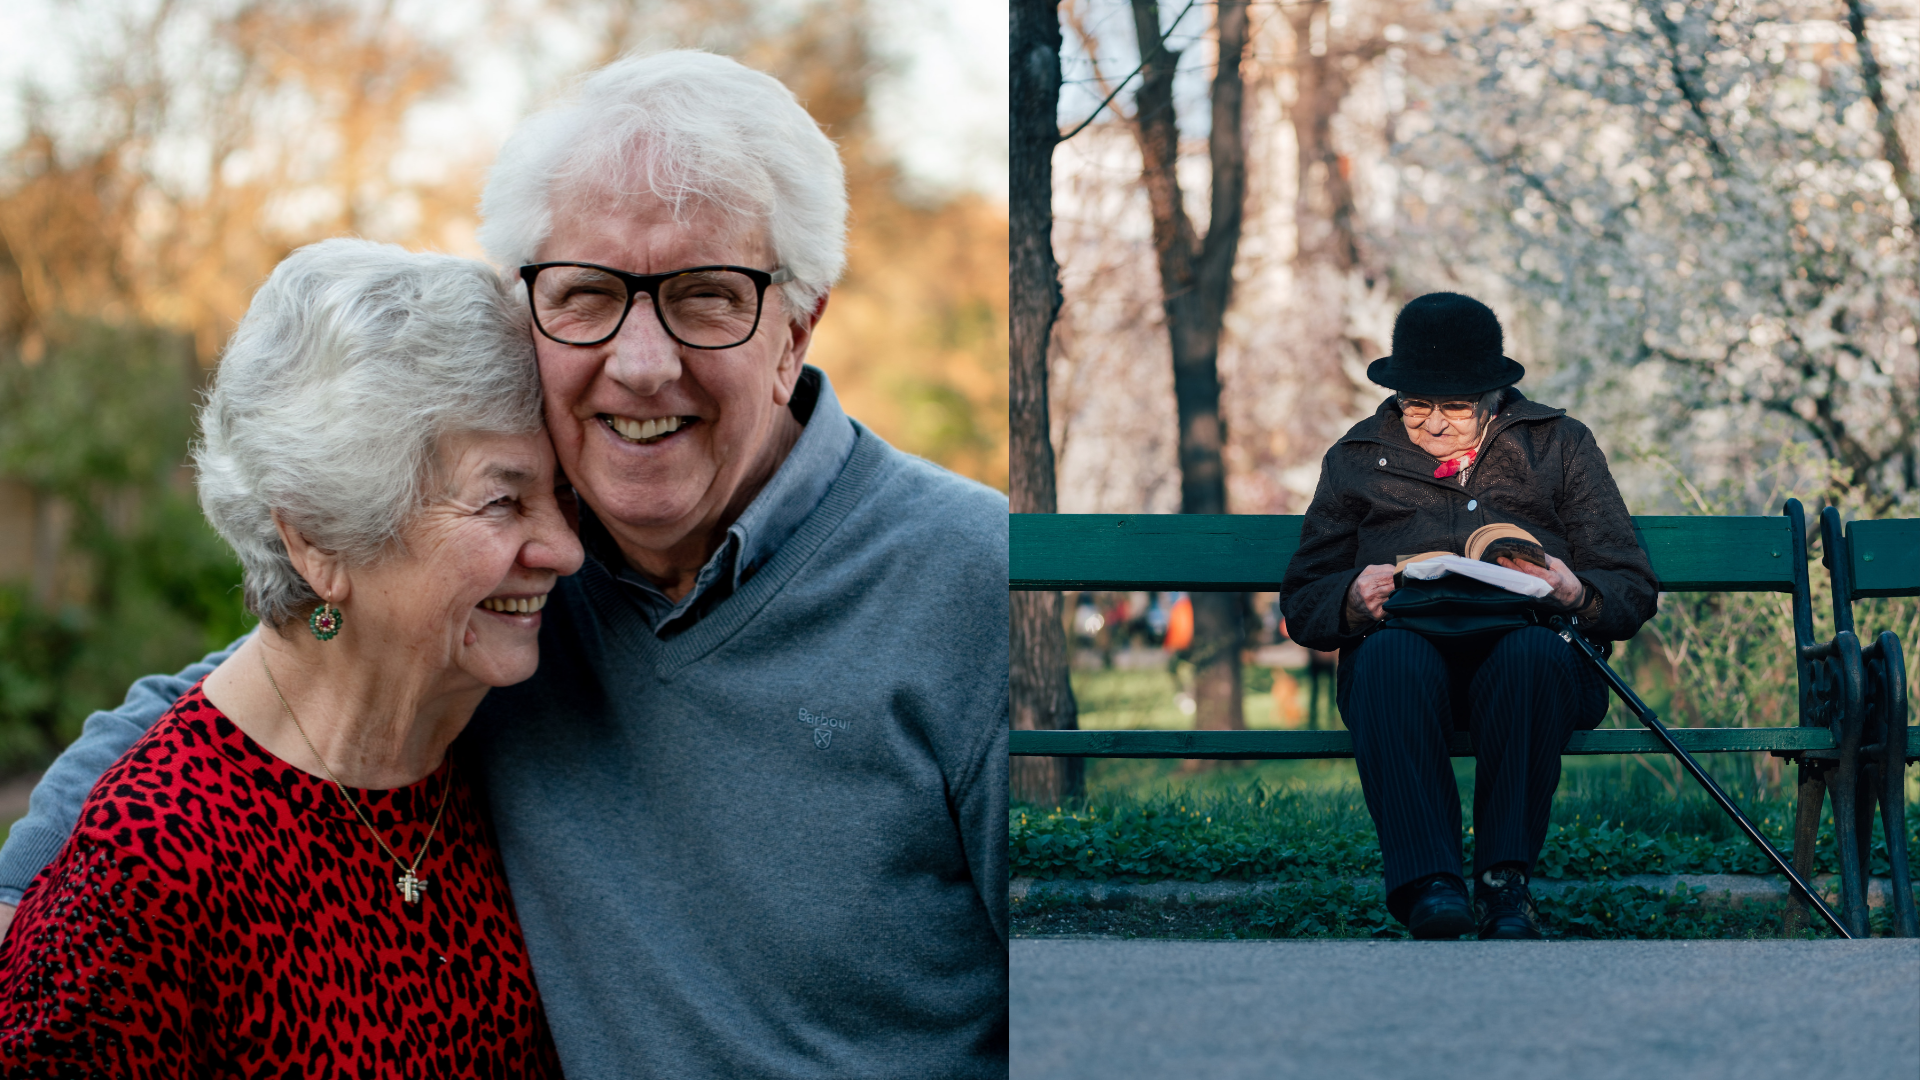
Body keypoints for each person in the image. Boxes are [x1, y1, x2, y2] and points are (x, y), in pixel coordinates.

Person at [0, 51, 1009, 1078]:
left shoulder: (979, 585)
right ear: (535, 309)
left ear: (799, 325)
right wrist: (43, 896)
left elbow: (1096, 984)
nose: (643, 361)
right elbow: (286, 669)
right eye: (589, 294)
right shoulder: (518, 589)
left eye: (708, 296)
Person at [0, 239, 579, 1074]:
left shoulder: (488, 749)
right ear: (316, 539)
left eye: (560, 496)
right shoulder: (150, 866)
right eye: (502, 500)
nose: (565, 549)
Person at [1279, 292, 1656, 940]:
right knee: (1390, 660)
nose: (1431, 424)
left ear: (1492, 396)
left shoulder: (1558, 445)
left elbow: (1629, 585)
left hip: (1528, 654)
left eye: (1453, 406)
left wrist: (1574, 593)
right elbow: (1305, 598)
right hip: (1407, 655)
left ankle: (1504, 885)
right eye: (1416, 404)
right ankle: (1431, 885)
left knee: (1530, 659)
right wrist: (1349, 597)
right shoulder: (1356, 458)